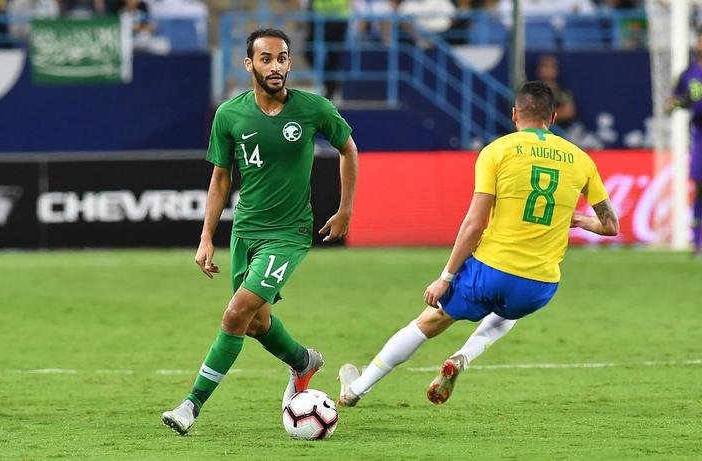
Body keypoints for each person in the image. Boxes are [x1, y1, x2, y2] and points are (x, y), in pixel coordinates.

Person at [338, 80, 619, 407]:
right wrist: (578, 219)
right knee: (507, 313)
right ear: (553, 117)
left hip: (491, 270)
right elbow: (610, 225)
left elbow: (474, 224)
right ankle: (462, 357)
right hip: (539, 284)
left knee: (428, 322)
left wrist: (445, 278)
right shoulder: (581, 160)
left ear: (514, 114)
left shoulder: (497, 151)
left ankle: (355, 390)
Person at [162, 27, 358, 435]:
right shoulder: (229, 115)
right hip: (245, 231)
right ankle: (303, 361)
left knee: (235, 314)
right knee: (254, 322)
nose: (275, 66)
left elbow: (348, 149)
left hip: (288, 233)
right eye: (266, 59)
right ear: (249, 64)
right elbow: (220, 178)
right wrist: (206, 237)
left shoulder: (313, 108)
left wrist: (345, 210)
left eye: (282, 58)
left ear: (290, 62)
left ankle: (190, 405)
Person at [668, 33, 702, 256]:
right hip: (700, 135)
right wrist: (680, 102)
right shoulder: (687, 74)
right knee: (700, 187)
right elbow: (669, 104)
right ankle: (697, 240)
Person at [536, 55, 576, 129]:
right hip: (537, 131)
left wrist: (544, 114)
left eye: (550, 67)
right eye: (544, 66)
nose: (546, 70)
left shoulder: (562, 92)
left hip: (560, 129)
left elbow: (568, 112)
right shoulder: (531, 91)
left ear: (556, 71)